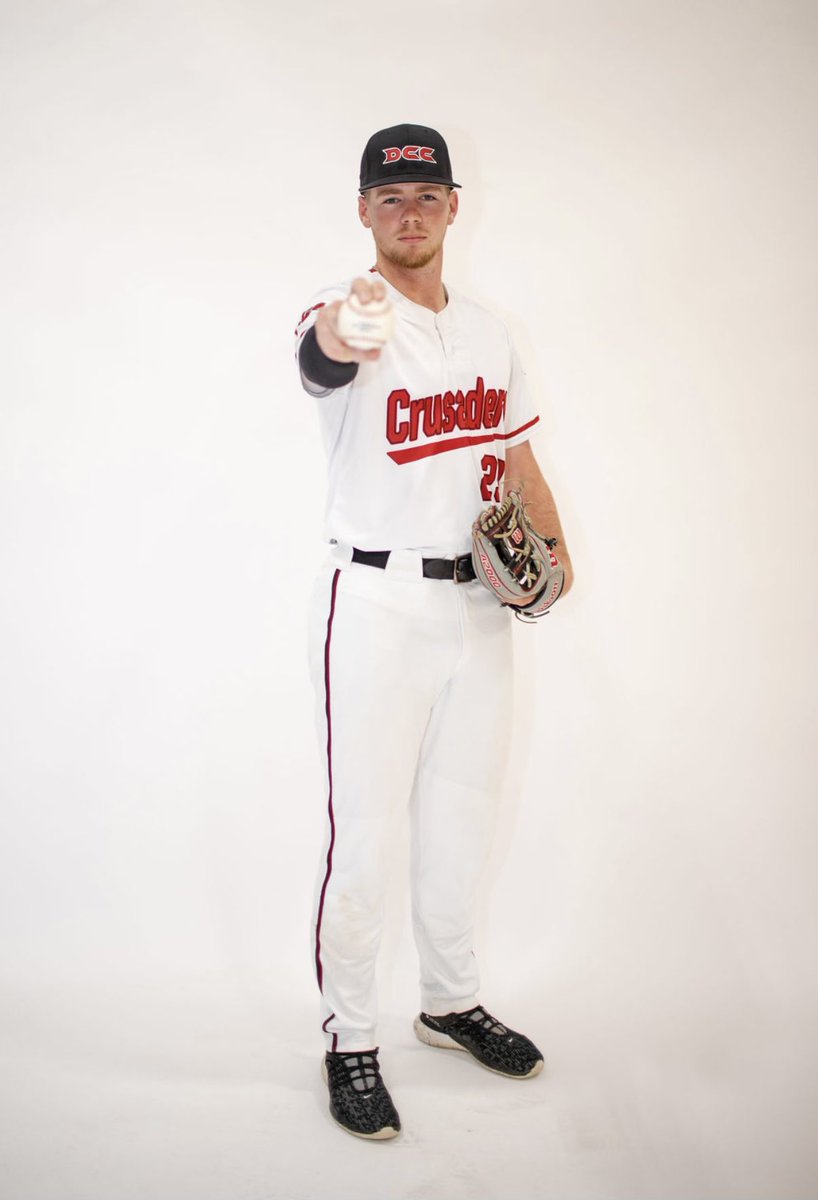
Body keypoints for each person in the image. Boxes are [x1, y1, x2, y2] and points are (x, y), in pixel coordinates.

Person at [294, 123, 574, 1141]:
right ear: (364, 211)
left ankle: (449, 1001)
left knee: (461, 821)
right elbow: (324, 362)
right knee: (367, 837)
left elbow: (516, 448)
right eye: (389, 198)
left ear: (453, 206)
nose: (407, 214)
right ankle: (351, 1036)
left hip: (477, 610)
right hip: (379, 608)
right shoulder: (350, 314)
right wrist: (348, 324)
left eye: (425, 197)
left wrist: (549, 545)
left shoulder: (492, 331)